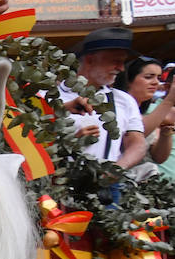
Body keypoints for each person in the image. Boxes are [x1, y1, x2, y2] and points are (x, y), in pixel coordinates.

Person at [59, 27, 147, 169]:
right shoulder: (48, 96)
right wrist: (70, 142)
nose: (121, 68)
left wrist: (116, 170)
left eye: (123, 62)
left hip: (107, 186)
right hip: (59, 184)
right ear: (90, 60)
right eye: (115, 61)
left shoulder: (125, 100)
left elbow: (137, 144)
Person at [125, 57, 174, 176]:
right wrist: (170, 100)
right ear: (128, 80)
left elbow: (158, 158)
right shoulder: (118, 107)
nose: (156, 82)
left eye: (158, 78)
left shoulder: (142, 112)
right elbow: (135, 135)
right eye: (148, 77)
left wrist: (165, 135)